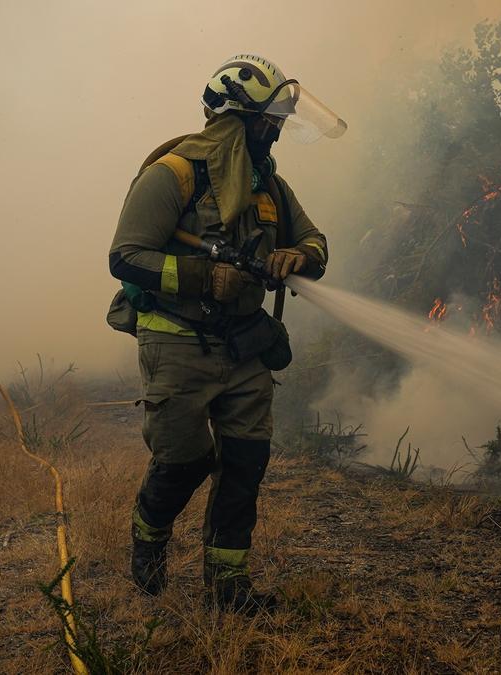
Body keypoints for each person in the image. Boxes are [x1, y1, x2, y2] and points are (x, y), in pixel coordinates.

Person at [108, 53, 346, 613]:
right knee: (186, 461)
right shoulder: (174, 173)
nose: (277, 131)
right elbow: (124, 256)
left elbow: (316, 242)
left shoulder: (270, 186)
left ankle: (228, 588)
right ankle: (149, 536)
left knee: (245, 463)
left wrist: (298, 254)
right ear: (240, 118)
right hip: (177, 341)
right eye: (271, 121)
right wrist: (200, 274)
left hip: (245, 344)